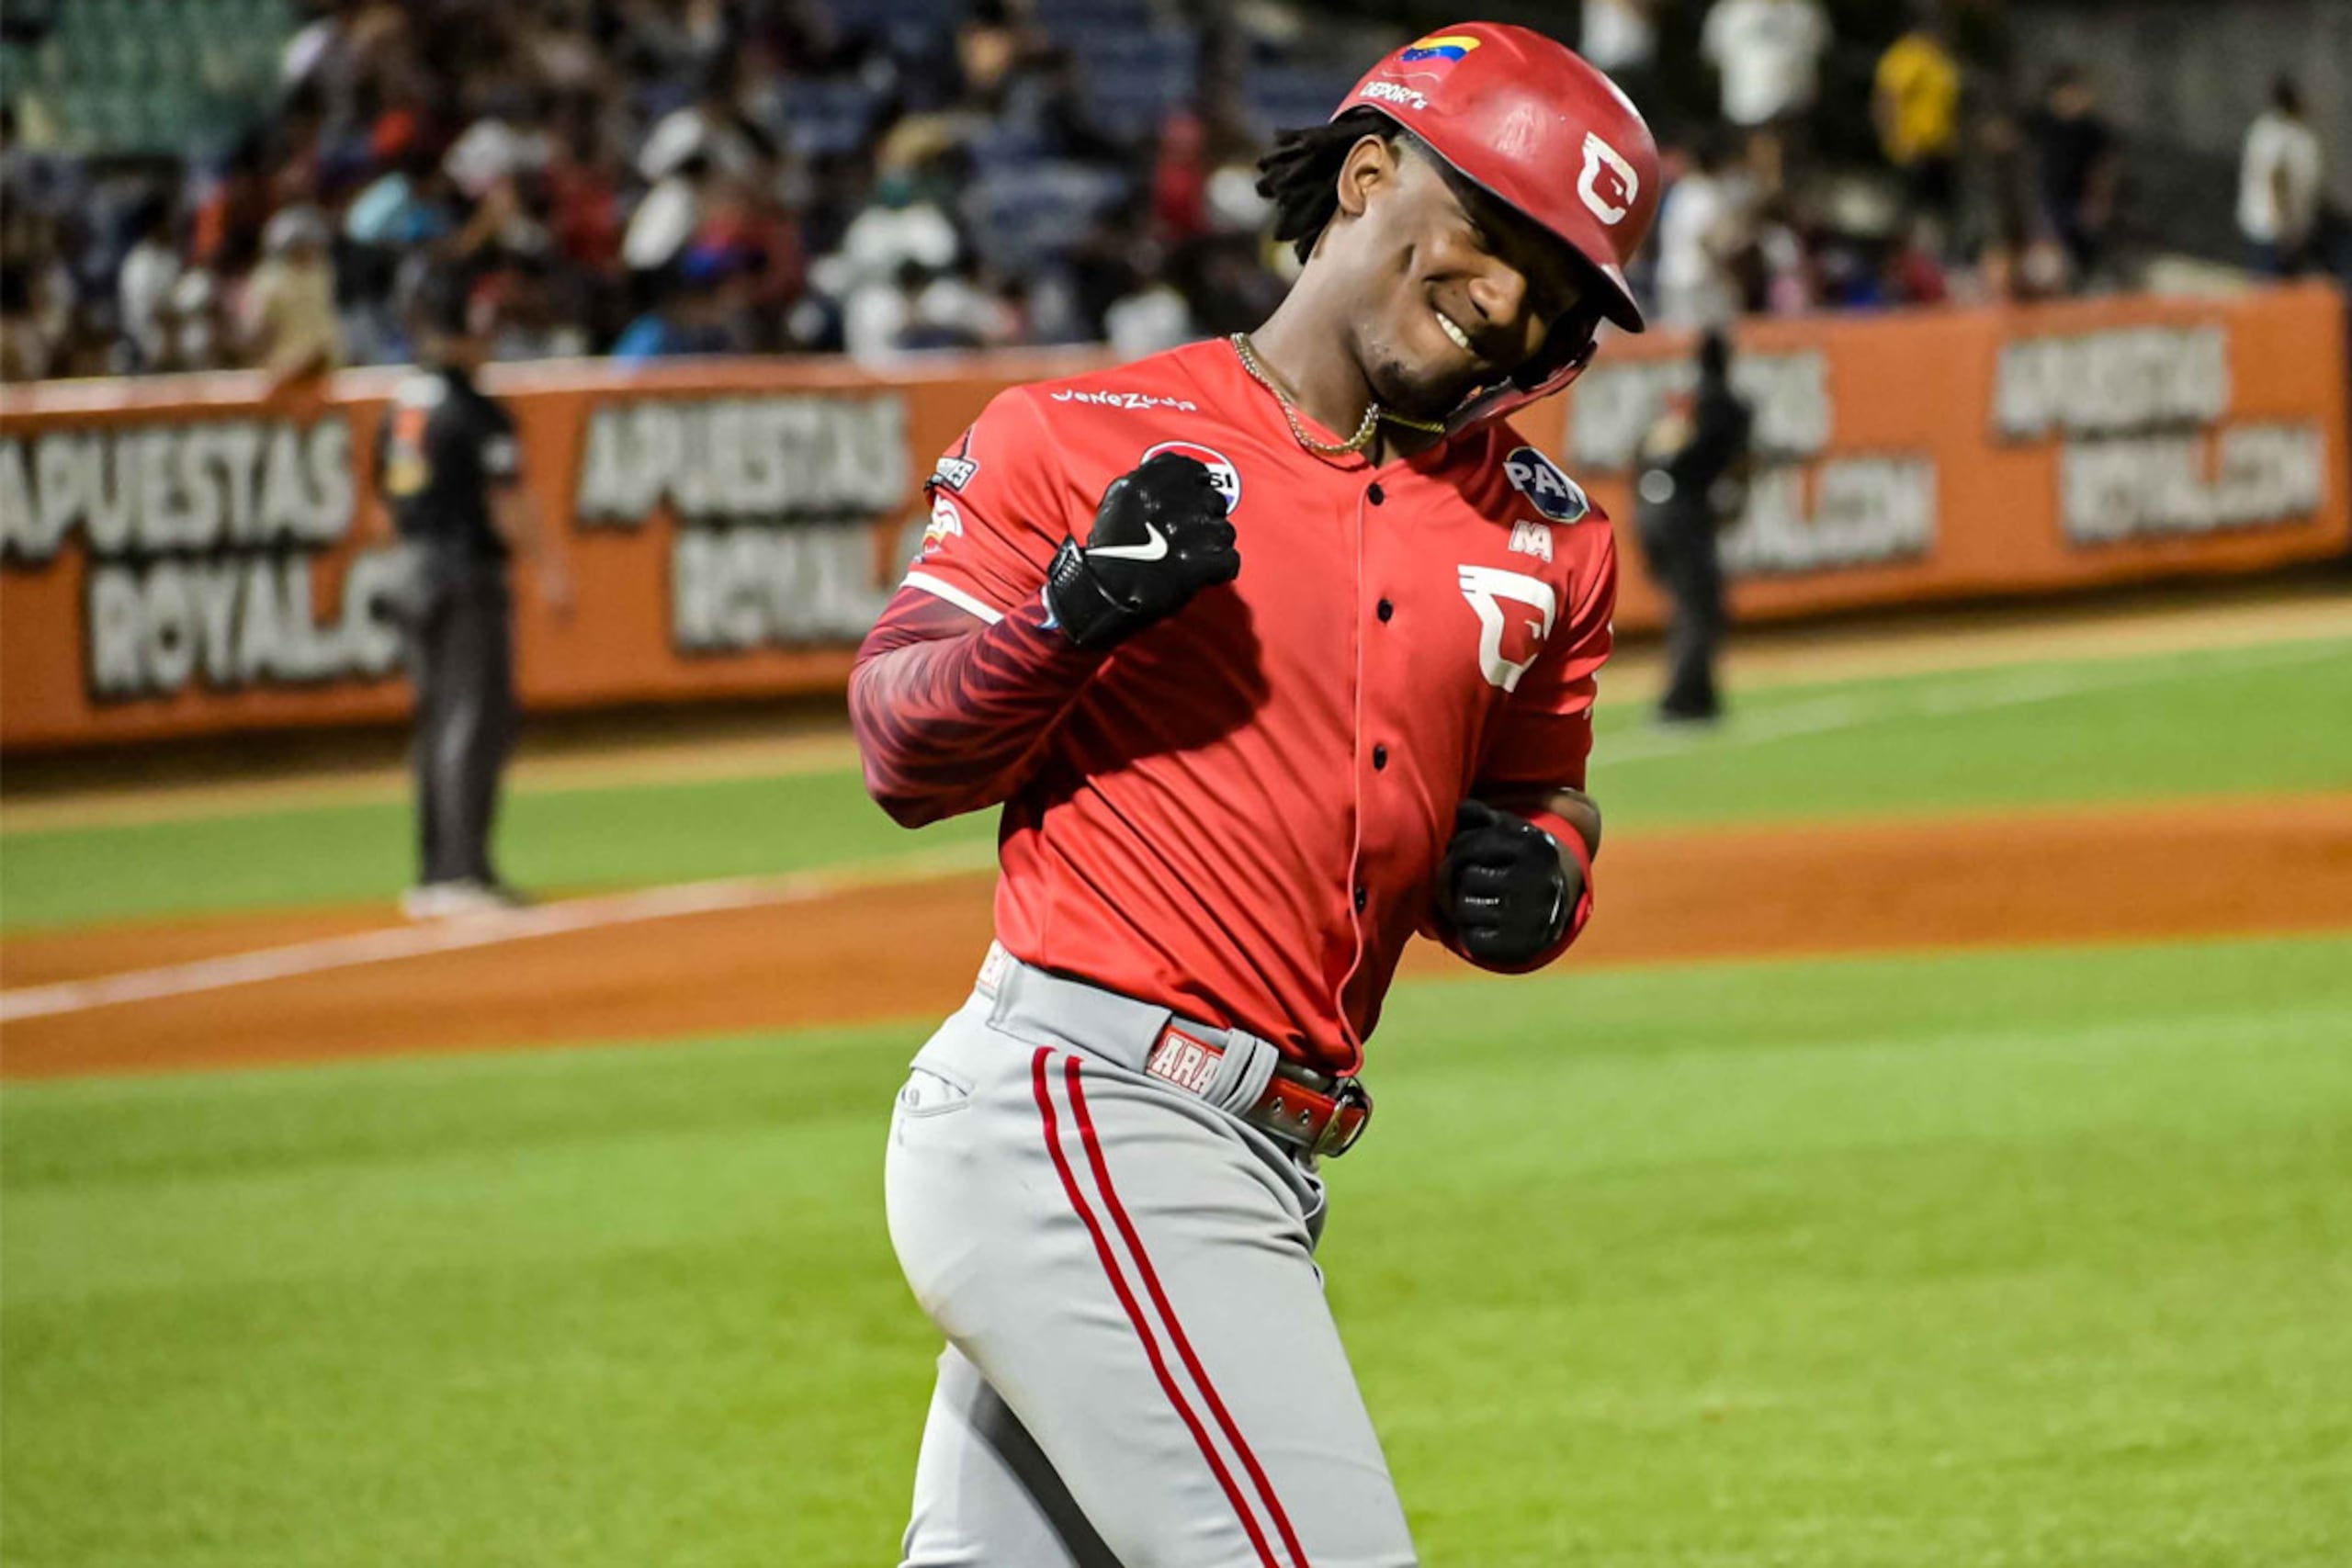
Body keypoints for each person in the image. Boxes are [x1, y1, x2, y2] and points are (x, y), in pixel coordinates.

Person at [850, 22, 1656, 1564]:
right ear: (1366, 177)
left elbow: (1550, 795)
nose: (1511, 309)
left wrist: (1550, 869)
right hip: (1089, 1113)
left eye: (1559, 294)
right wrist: (1067, 618)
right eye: (1497, 242)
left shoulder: (1552, 539)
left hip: (1262, 1151)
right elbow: (900, 746)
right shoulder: (1076, 438)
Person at [374, 269, 571, 919]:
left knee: (434, 722)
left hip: (409, 565)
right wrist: (548, 568)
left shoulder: (402, 403)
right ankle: (462, 873)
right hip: (462, 570)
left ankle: (435, 869)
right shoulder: (474, 407)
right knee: (472, 719)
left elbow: (382, 497)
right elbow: (507, 497)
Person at [1635, 330, 1752, 725]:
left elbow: (1645, 451)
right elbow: (1739, 463)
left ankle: (1698, 694)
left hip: (1651, 506)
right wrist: (1734, 504)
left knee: (1692, 604)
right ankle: (1684, 699)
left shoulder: (1681, 401)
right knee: (1700, 606)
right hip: (1682, 510)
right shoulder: (1727, 403)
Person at [1701, 0, 1830, 194]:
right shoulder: (1729, 12)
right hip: (1746, 104)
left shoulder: (1805, 12)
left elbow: (1818, 50)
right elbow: (1714, 55)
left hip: (1795, 104)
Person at [2028, 65, 2120, 288]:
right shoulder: (2046, 124)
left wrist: (2098, 203)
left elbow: (2104, 168)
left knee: (2085, 255)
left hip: (2081, 201)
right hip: (2051, 201)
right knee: (2048, 261)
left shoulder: (2093, 130)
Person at [1873, 11, 1962, 224]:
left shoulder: (1940, 59)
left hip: (1940, 148)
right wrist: (1896, 138)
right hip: (1915, 146)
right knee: (1910, 210)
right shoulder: (1907, 56)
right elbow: (1887, 98)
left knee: (1940, 211)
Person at [2238, 75, 2324, 278]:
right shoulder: (2279, 134)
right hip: (2275, 233)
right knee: (2273, 294)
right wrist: (2283, 229)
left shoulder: (2274, 130)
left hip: (2285, 231)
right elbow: (2277, 179)